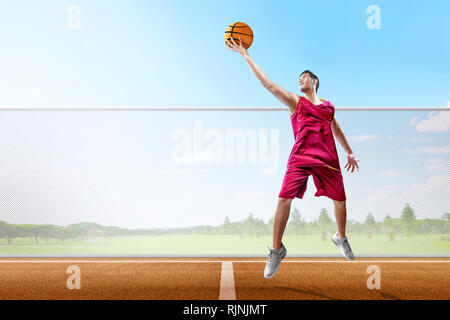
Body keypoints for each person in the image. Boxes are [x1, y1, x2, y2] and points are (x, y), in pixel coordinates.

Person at [226, 36, 360, 278]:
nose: (300, 79)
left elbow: (336, 129)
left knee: (340, 201)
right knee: (283, 199)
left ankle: (340, 238)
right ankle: (276, 250)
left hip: (328, 159)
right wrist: (245, 55)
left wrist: (349, 151)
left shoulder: (328, 107)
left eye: (305, 77)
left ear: (315, 81)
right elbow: (268, 84)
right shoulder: (294, 101)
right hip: (300, 157)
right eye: (299, 78)